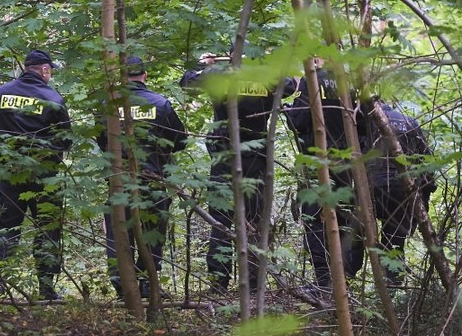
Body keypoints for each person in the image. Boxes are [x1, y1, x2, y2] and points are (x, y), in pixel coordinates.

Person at [179, 44, 296, 294]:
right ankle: (253, 282)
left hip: (225, 155)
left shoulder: (219, 74)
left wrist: (204, 65)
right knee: (253, 219)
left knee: (221, 219)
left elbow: (187, 81)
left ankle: (219, 281)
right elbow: (290, 84)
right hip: (255, 156)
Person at [0, 49, 72, 300]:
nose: (50, 74)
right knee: (48, 229)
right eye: (50, 70)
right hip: (45, 176)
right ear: (43, 70)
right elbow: (65, 139)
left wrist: (5, 161)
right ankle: (47, 288)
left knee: (4, 228)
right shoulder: (52, 97)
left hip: (9, 173)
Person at [96, 57, 188, 298]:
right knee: (153, 232)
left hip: (119, 179)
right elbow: (180, 141)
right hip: (154, 179)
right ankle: (147, 282)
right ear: (145, 75)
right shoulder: (160, 103)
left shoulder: (109, 104)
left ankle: (123, 283)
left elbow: (101, 140)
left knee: (118, 233)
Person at [284, 57, 363, 291]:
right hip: (349, 161)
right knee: (347, 219)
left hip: (318, 160)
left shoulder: (312, 81)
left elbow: (299, 121)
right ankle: (346, 278)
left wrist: (289, 110)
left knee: (315, 219)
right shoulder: (350, 81)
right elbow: (365, 122)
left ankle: (323, 281)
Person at [347, 101, 436, 286]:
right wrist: (425, 192)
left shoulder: (361, 122)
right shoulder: (410, 121)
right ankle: (393, 285)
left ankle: (347, 279)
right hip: (402, 188)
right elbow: (426, 161)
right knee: (394, 241)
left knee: (355, 234)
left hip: (370, 188)